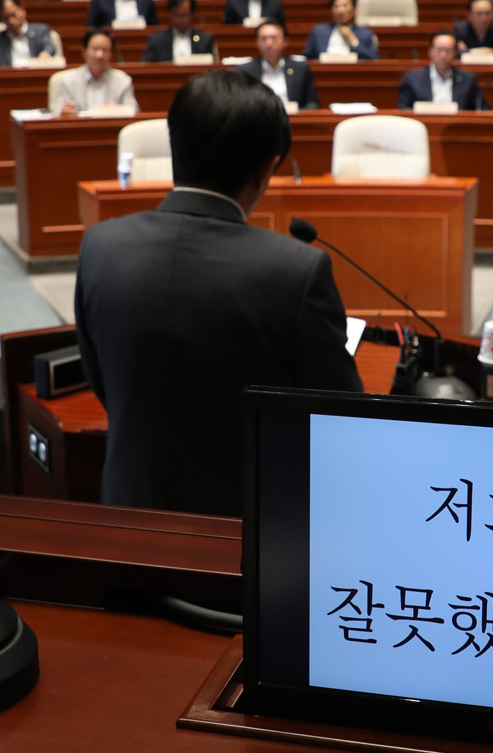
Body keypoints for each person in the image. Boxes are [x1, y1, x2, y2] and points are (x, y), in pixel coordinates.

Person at [74, 69, 362, 514]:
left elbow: (104, 382)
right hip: (248, 531)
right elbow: (343, 417)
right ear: (267, 168)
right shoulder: (296, 271)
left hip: (129, 519)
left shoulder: (100, 246)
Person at [49, 29, 139, 116]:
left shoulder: (123, 81)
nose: (99, 55)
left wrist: (119, 110)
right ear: (84, 51)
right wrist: (63, 111)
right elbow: (56, 111)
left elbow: (134, 110)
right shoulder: (68, 80)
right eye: (95, 49)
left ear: (111, 54)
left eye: (104, 50)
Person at [398, 31, 488, 110]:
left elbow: (481, 109)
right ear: (430, 52)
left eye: (448, 50)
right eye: (439, 50)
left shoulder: (468, 79)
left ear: (455, 53)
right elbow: (403, 110)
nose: (443, 55)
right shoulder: (412, 79)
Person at [238, 18, 316, 108]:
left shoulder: (300, 68)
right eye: (264, 39)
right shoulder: (245, 70)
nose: (269, 44)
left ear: (285, 42)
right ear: (257, 43)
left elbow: (312, 102)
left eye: (274, 38)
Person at [0, 0, 60, 67]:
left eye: (13, 15)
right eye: (6, 18)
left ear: (22, 10)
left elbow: (49, 47)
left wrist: (45, 53)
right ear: (1, 19)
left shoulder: (41, 31)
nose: (11, 21)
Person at [304, 0, 379, 59]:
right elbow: (307, 57)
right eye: (336, 6)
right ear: (332, 10)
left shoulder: (365, 33)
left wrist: (354, 43)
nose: (340, 11)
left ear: (353, 10)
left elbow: (374, 58)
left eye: (345, 5)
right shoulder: (319, 31)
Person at [142, 0, 215, 61]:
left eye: (184, 15)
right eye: (176, 15)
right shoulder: (157, 39)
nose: (180, 20)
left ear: (192, 15)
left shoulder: (205, 39)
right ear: (170, 14)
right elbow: (146, 66)